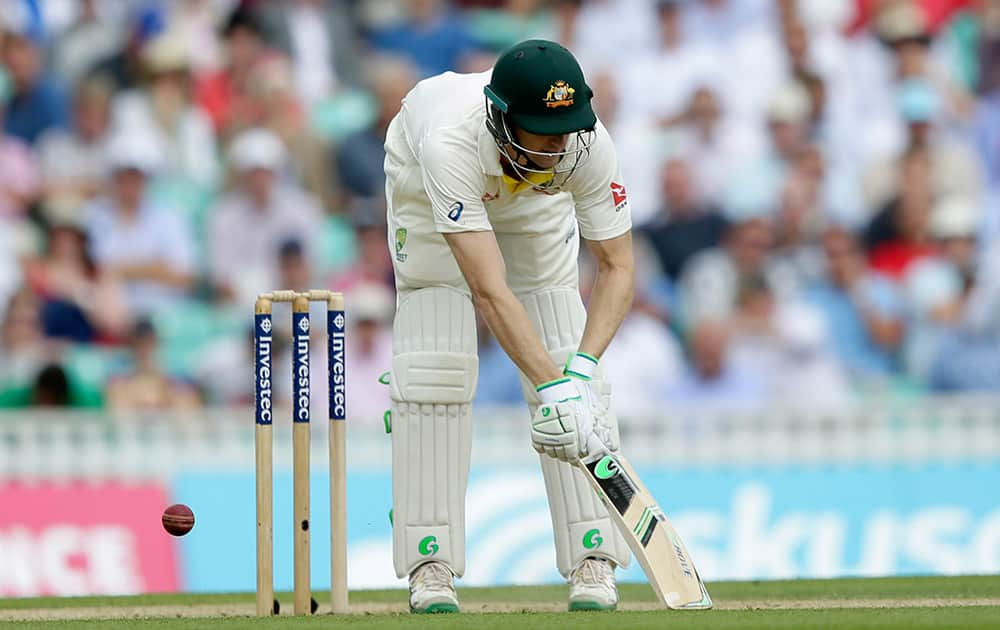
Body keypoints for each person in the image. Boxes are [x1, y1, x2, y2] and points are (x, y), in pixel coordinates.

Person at [383, 39, 632, 613]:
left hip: (535, 199)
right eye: (546, 131)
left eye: (567, 129)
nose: (560, 144)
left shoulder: (583, 145)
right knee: (434, 363)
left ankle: (594, 555)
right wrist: (551, 389)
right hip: (430, 188)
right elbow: (489, 291)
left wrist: (577, 376)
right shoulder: (448, 140)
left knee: (568, 349)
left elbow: (618, 267)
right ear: (502, 118)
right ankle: (431, 563)